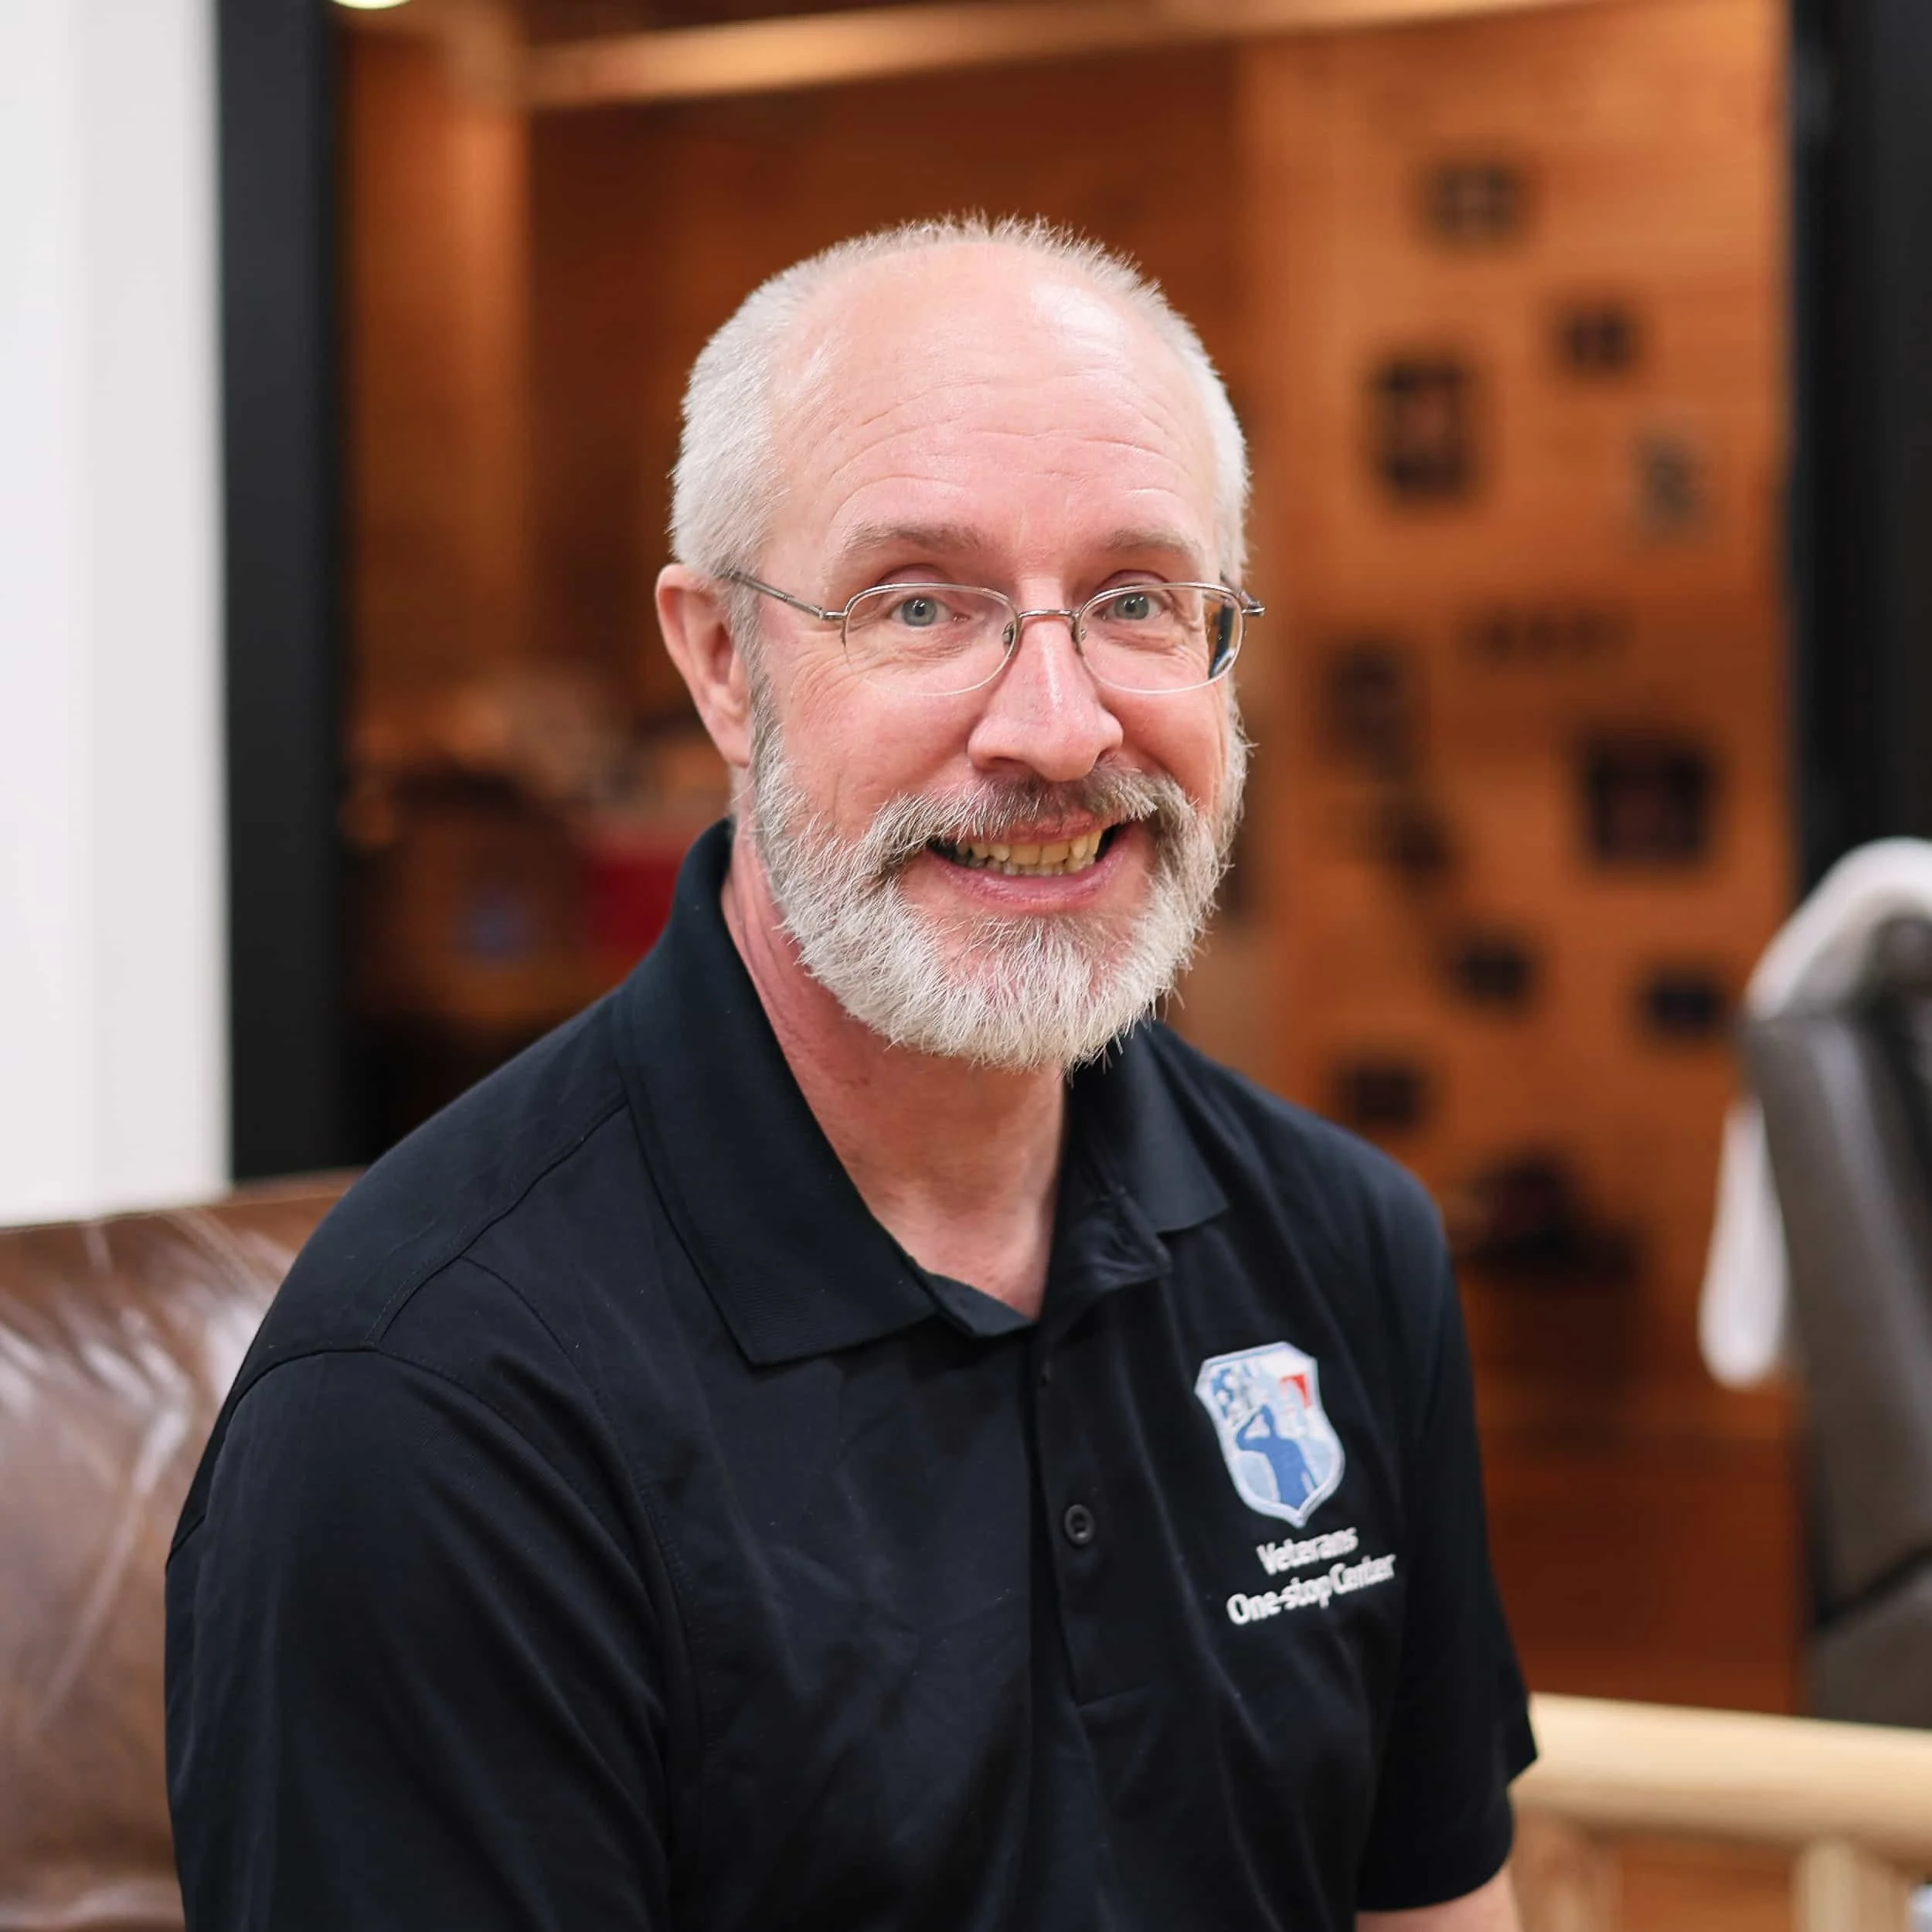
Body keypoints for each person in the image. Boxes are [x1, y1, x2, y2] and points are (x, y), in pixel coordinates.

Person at [165, 216, 1534, 1930]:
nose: (1057, 726)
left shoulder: (1341, 1246)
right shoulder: (428, 1405)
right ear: (721, 662)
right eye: (920, 604)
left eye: (1136, 600)